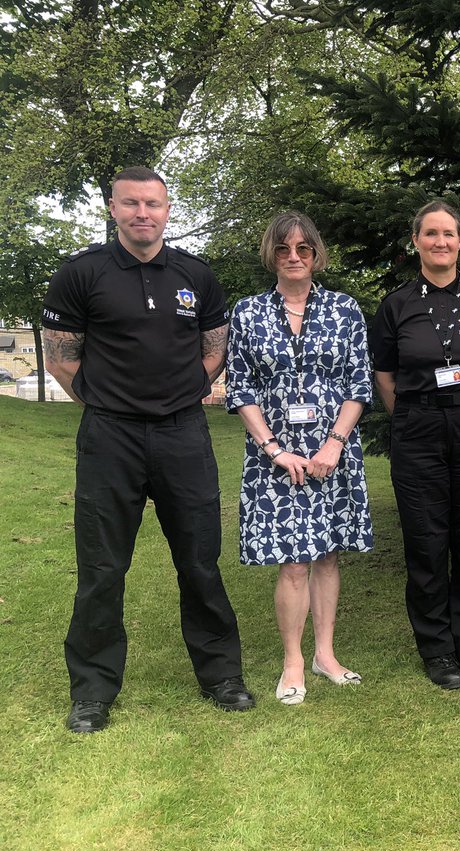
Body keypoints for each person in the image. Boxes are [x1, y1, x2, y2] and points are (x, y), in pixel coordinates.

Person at [42, 166, 253, 733]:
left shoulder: (195, 275)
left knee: (199, 560)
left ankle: (221, 675)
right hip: (110, 437)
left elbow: (215, 349)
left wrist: (181, 391)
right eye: (131, 203)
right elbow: (61, 358)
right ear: (112, 208)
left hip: (182, 434)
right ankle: (92, 690)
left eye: (153, 204)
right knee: (103, 567)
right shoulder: (81, 273)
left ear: (167, 209)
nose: (143, 213)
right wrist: (102, 399)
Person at [225, 212, 374, 706]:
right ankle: (293, 660)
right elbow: (240, 387)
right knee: (292, 564)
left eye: (303, 249)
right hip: (274, 456)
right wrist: (273, 448)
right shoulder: (247, 313)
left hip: (334, 452)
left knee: (328, 556)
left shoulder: (344, 309)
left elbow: (358, 383)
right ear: (272, 253)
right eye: (284, 248)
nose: (294, 257)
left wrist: (334, 443)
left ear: (316, 254)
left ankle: (325, 654)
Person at [370, 200, 460, 690]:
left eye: (449, 234)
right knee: (427, 542)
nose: (440, 242)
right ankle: (437, 650)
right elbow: (384, 373)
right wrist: (415, 414)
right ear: (417, 242)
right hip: (418, 427)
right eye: (431, 234)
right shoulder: (397, 304)